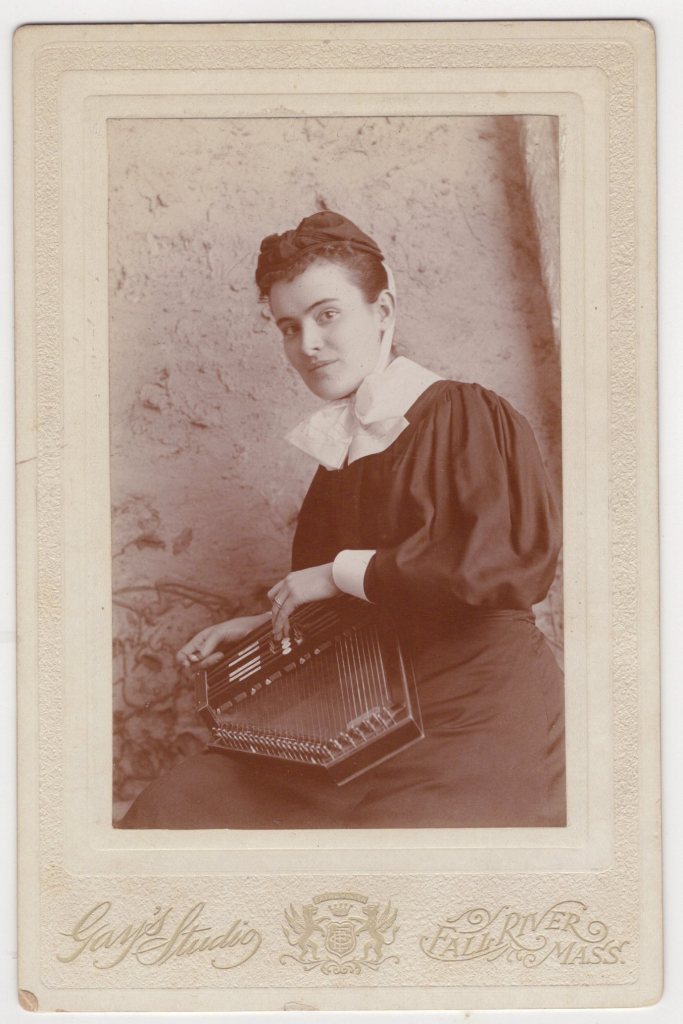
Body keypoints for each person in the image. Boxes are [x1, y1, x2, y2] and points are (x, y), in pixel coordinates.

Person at [119, 210, 565, 830]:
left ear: (383, 311)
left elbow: (503, 566)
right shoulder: (340, 451)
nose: (307, 344)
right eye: (289, 326)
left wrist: (331, 574)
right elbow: (371, 594)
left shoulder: (463, 412)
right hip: (361, 718)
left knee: (397, 853)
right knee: (171, 810)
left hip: (475, 715)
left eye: (327, 315)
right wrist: (267, 621)